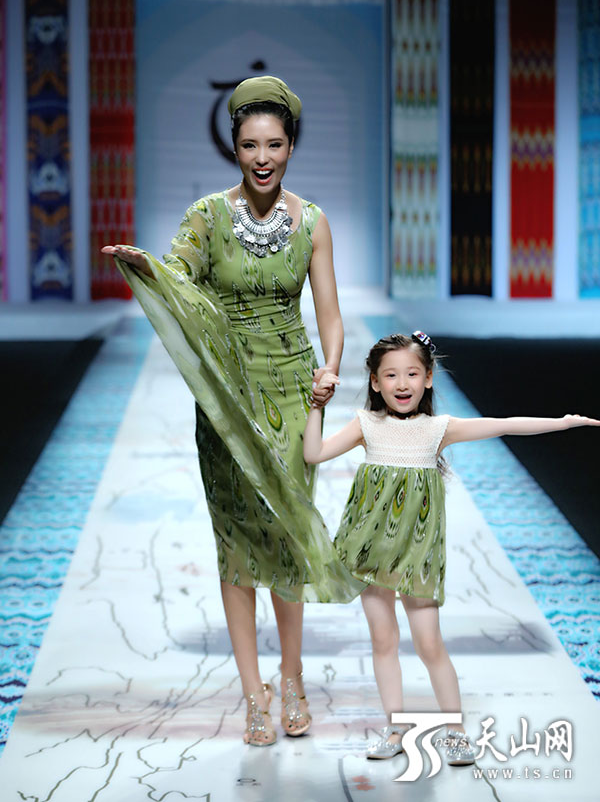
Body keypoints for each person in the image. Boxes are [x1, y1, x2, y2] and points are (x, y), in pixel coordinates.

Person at [101, 75, 362, 747]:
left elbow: (331, 317)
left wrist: (331, 366)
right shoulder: (207, 217)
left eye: (274, 144)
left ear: (292, 145)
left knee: (290, 532)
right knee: (238, 542)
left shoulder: (312, 223)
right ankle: (254, 695)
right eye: (250, 145)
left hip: (294, 392)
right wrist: (145, 267)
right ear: (235, 147)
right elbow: (177, 277)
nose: (262, 157)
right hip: (226, 393)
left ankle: (293, 679)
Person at [304, 331, 600, 766]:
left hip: (417, 556)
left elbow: (503, 424)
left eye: (411, 373)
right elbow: (313, 454)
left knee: (430, 644)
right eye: (390, 375)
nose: (401, 383)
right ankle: (395, 728)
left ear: (428, 378)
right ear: (374, 382)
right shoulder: (366, 425)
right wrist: (316, 406)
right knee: (383, 641)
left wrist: (562, 422)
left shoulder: (438, 429)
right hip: (369, 551)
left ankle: (456, 731)